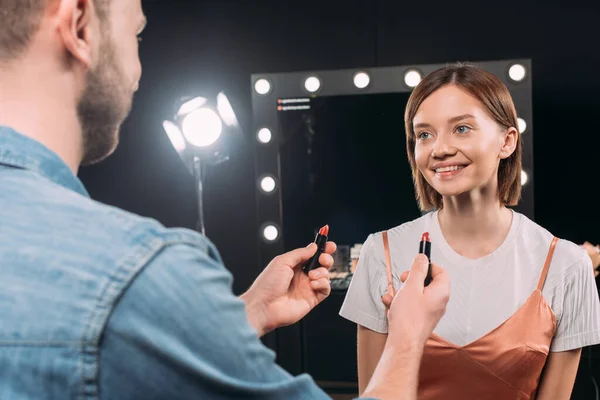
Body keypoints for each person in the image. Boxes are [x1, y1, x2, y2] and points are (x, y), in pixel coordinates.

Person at [0, 1, 451, 399]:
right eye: (136, 34)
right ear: (79, 23)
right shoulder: (136, 273)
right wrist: (407, 333)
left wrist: (242, 315)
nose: (138, 72)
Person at [340, 63, 600, 399]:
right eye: (424, 134)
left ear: (507, 141)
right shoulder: (382, 252)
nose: (440, 149)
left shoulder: (566, 265)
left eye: (461, 128)